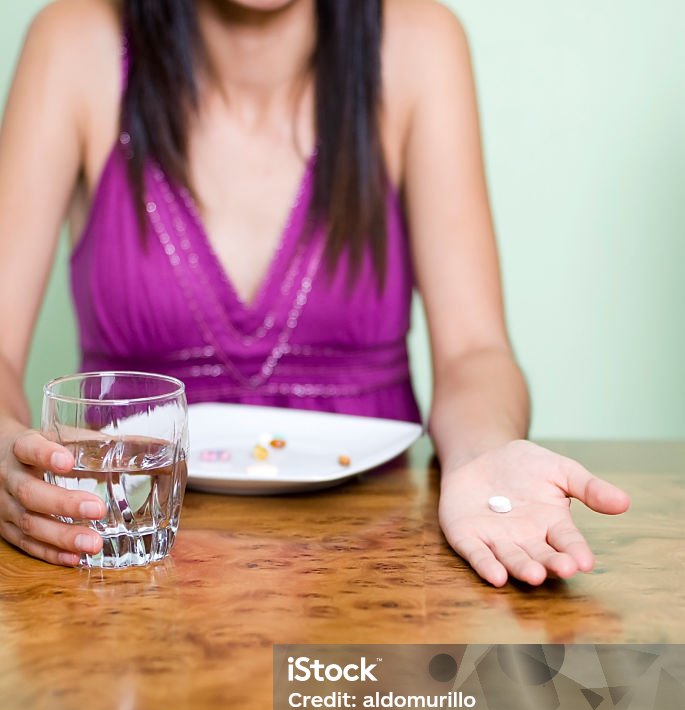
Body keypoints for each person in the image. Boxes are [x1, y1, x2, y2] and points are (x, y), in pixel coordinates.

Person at [0, 0, 630, 584]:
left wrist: (485, 458)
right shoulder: (73, 45)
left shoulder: (419, 45)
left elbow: (474, 353)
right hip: (122, 558)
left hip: (376, 565)